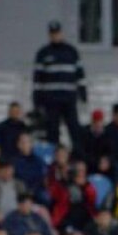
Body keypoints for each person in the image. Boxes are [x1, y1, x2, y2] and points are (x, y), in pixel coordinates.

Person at [32, 21, 86, 154]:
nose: (55, 36)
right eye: (52, 34)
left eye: (57, 33)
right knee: (52, 132)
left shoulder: (71, 52)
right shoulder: (43, 53)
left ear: (61, 33)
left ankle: (78, 157)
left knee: (74, 130)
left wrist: (83, 94)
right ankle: (53, 160)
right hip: (51, 100)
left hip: (69, 99)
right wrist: (37, 101)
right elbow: (37, 80)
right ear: (49, 35)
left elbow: (80, 76)